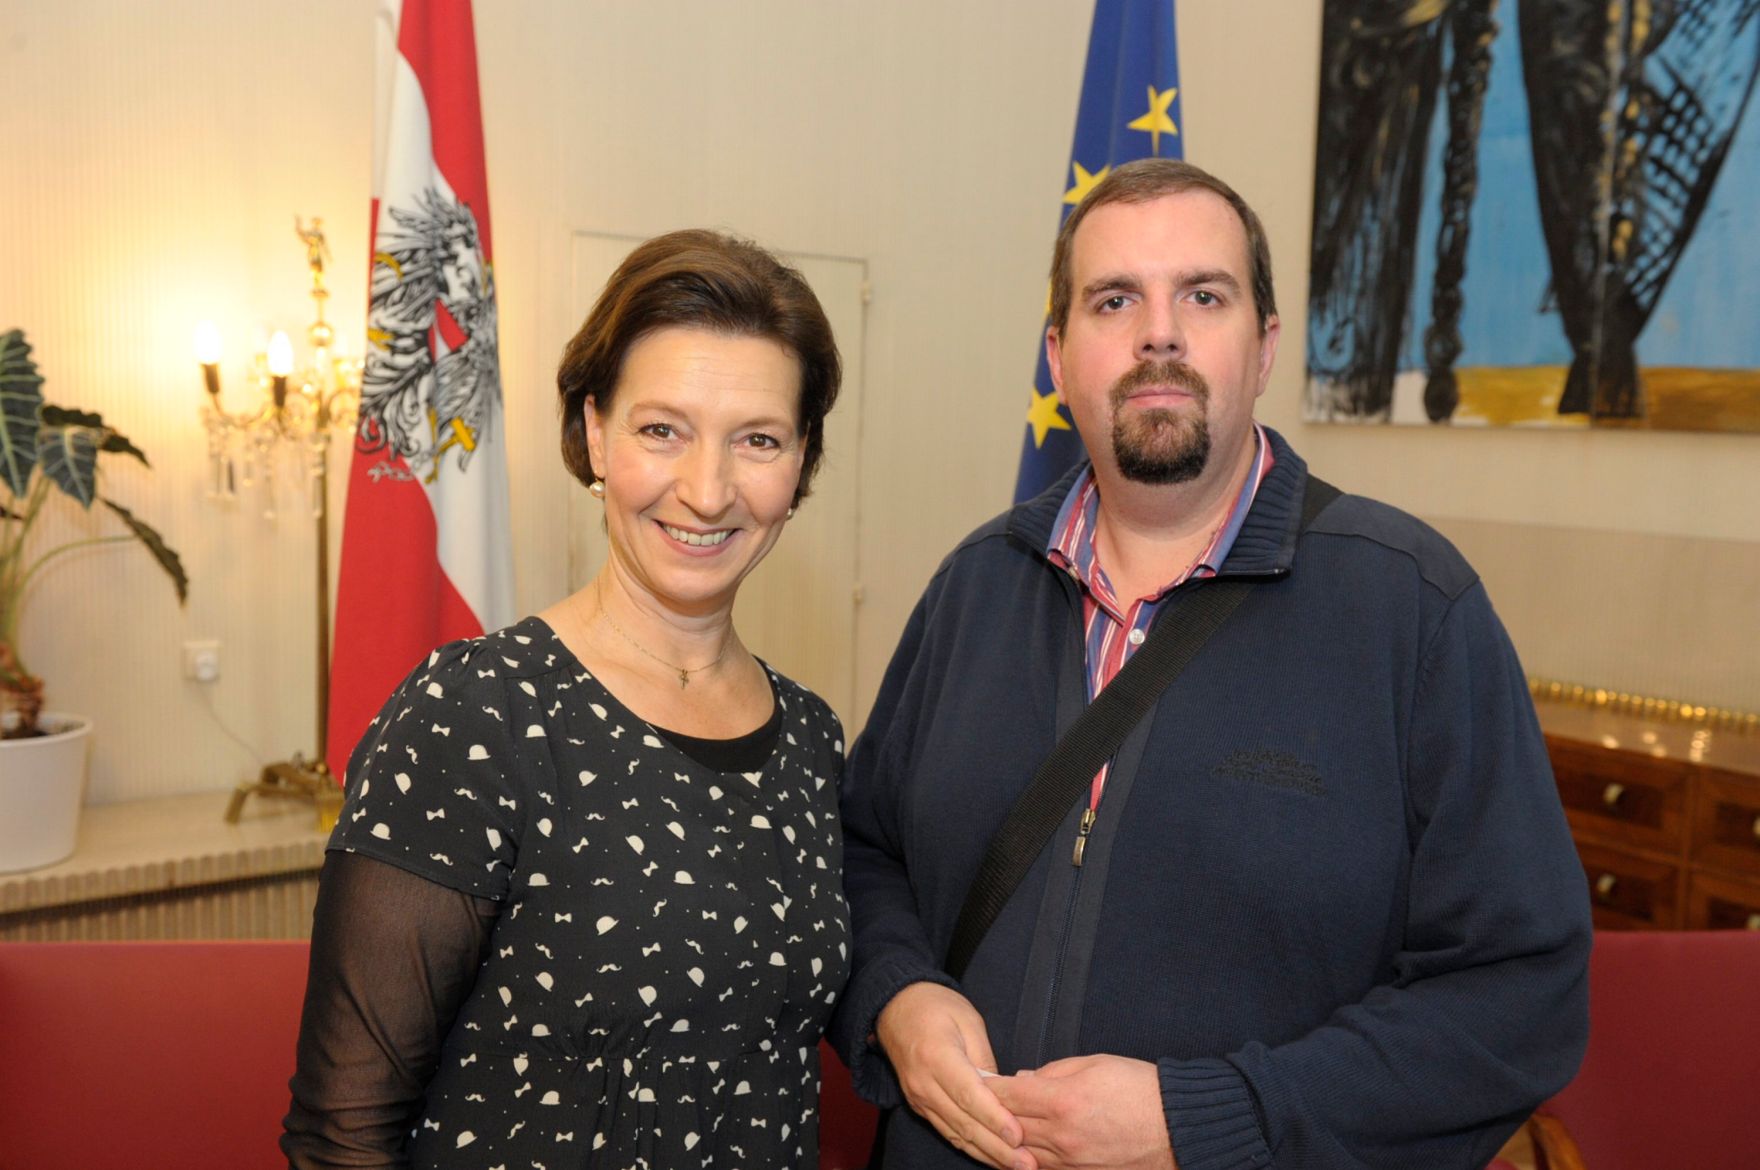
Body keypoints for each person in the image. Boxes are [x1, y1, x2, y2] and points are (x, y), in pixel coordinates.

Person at [830, 160, 1591, 1170]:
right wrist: (895, 993)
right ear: (1059, 356)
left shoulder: (1411, 611)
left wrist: (1208, 1118)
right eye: (1114, 299)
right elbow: (861, 852)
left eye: (1202, 294)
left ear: (1263, 345)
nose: (1159, 332)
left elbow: (1516, 997)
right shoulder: (973, 589)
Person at [283, 229, 850, 1169]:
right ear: (594, 432)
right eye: (661, 429)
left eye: (757, 440)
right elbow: (343, 1132)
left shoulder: (811, 742)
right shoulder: (474, 715)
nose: (707, 491)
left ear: (799, 468)